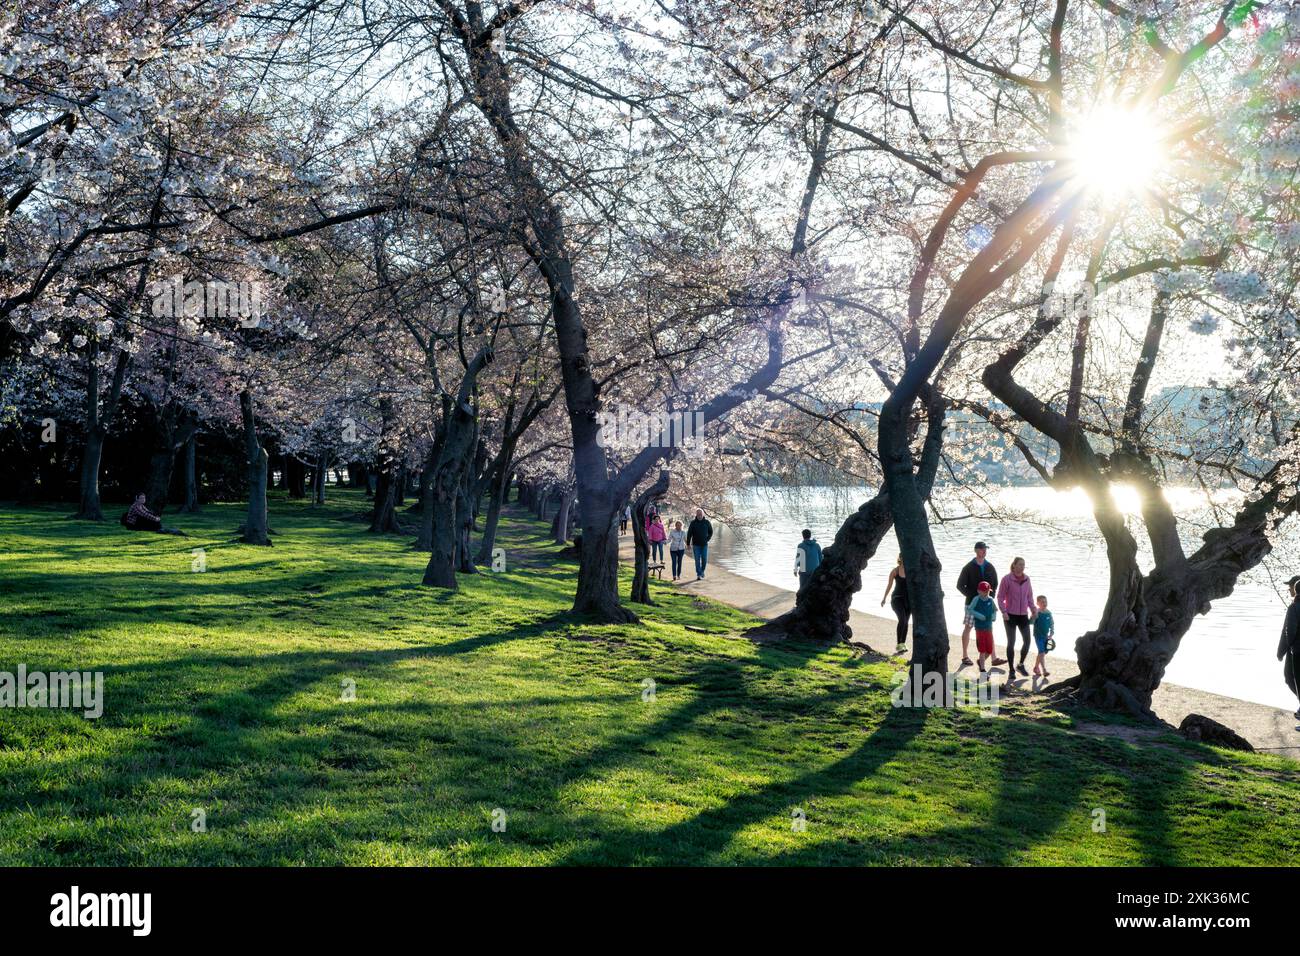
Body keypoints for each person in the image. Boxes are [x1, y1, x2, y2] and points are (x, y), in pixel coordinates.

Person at [955, 541, 1000, 668]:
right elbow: (959, 585)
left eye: (985, 549)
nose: (984, 551)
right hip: (971, 605)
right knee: (968, 628)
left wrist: (991, 598)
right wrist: (972, 596)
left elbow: (995, 584)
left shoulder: (990, 567)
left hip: (986, 605)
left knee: (989, 629)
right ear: (976, 550)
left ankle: (994, 658)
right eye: (981, 549)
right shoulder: (968, 567)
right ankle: (965, 656)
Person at [998, 556, 1036, 677]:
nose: (1022, 567)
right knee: (1011, 642)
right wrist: (1004, 612)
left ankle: (1020, 664)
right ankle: (1011, 670)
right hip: (1010, 616)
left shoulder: (1027, 579)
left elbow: (1029, 597)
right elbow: (1000, 597)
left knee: (1027, 641)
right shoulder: (1006, 579)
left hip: (1023, 615)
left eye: (1023, 564)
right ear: (1014, 565)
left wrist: (1034, 610)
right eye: (1020, 564)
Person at [1278, 574, 1300, 720]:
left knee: (1292, 678)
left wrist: (1282, 650)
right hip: (1294, 649)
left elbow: (1288, 631)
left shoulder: (1294, 607)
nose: (1288, 589)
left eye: (1290, 586)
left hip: (1296, 650)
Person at [880, 553, 910, 655]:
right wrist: (884, 598)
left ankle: (903, 644)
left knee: (906, 622)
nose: (904, 559)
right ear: (899, 558)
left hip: (909, 601)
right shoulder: (895, 571)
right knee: (902, 619)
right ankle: (899, 645)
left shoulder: (911, 570)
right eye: (902, 557)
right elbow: (889, 585)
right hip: (897, 599)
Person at [967, 581, 998, 674]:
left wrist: (993, 617)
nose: (986, 593)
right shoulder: (976, 599)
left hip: (989, 628)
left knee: (989, 650)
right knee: (982, 650)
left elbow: (995, 610)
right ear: (978, 591)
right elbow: (970, 609)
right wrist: (979, 615)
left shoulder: (991, 600)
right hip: (980, 628)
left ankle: (980, 662)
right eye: (984, 591)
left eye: (988, 591)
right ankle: (982, 669)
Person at [1031, 594, 1055, 678]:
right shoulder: (1037, 612)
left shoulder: (1049, 613)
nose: (1044, 603)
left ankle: (1036, 667)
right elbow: (1031, 622)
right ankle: (1044, 670)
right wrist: (1034, 616)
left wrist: (1051, 633)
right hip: (1038, 636)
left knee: (1042, 653)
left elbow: (1051, 624)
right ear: (1037, 603)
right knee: (1041, 652)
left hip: (1046, 636)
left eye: (1045, 602)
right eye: (1042, 602)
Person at [686, 508, 713, 581]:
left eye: (700, 514)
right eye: (698, 514)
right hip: (696, 545)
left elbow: (711, 532)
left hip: (704, 545)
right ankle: (698, 574)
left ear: (703, 514)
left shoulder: (707, 522)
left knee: (704, 560)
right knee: (697, 560)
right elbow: (689, 534)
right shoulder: (693, 523)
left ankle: (702, 571)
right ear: (696, 515)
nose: (699, 516)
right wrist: (688, 544)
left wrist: (707, 539)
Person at [795, 529, 822, 593]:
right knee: (813, 588)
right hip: (815, 570)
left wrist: (795, 570)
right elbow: (821, 558)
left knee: (802, 588)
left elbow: (798, 559)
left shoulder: (801, 546)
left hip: (804, 571)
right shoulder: (817, 545)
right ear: (810, 536)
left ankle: (802, 597)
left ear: (803, 536)